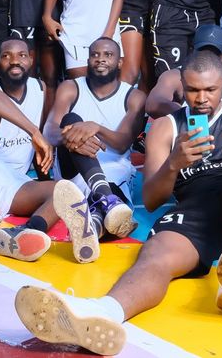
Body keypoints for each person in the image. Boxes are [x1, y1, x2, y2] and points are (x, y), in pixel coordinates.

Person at [13, 51, 222, 355]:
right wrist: (173, 163)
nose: (201, 98)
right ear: (182, 87)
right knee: (155, 254)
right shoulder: (165, 128)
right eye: (193, 89)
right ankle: (101, 313)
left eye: (210, 90)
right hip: (197, 213)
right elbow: (151, 200)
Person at [0, 39, 98, 263]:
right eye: (6, 56)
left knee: (64, 190)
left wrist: (44, 175)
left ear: (31, 60)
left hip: (12, 182)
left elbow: (42, 149)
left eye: (21, 55)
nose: (14, 60)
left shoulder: (40, 89)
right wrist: (33, 132)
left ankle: (24, 233)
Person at [44, 38, 146, 243]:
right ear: (88, 60)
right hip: (72, 167)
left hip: (113, 170)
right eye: (95, 55)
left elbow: (122, 143)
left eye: (108, 55)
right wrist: (72, 137)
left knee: (115, 211)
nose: (100, 59)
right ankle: (105, 199)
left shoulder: (134, 96)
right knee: (71, 121)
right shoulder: (71, 87)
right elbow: (49, 131)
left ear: (119, 62)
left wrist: (95, 128)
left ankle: (92, 228)